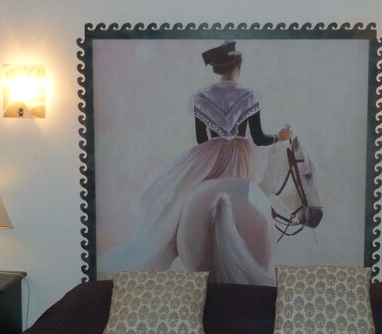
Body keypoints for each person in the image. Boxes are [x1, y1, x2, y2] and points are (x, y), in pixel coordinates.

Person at [98, 41, 290, 276]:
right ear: (237, 68)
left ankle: (170, 240)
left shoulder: (201, 97)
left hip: (210, 157)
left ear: (219, 69)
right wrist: (279, 137)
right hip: (242, 161)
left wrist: (215, 151)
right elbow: (258, 137)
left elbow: (202, 139)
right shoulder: (249, 95)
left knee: (179, 201)